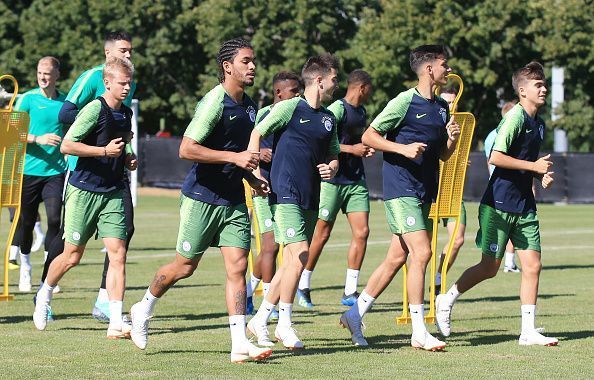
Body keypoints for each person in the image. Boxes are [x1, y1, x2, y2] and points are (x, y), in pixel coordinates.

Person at [128, 38, 272, 363]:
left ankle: (238, 344)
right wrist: (235, 158)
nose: (252, 67)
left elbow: (238, 157)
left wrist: (252, 178)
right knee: (185, 267)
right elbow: (186, 149)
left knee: (237, 268)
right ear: (227, 66)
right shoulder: (213, 102)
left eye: (253, 61)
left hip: (234, 200)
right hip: (201, 198)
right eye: (246, 61)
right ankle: (143, 307)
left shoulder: (250, 107)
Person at [339, 45, 460, 351]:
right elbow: (369, 136)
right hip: (400, 189)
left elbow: (442, 154)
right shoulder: (404, 101)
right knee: (422, 254)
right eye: (444, 65)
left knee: (396, 258)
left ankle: (354, 314)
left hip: (424, 191)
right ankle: (419, 331)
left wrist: (451, 141)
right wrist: (402, 149)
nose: (448, 70)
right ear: (429, 69)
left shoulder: (442, 108)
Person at [435, 62, 558, 347]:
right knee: (489, 267)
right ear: (523, 90)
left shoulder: (538, 124)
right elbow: (496, 157)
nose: (544, 89)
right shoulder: (515, 118)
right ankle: (447, 298)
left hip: (524, 206)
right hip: (498, 204)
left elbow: (526, 166)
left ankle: (527, 331)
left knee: (533, 265)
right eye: (538, 85)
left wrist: (540, 176)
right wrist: (534, 167)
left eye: (544, 84)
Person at [33, 57, 138, 341]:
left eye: (129, 82)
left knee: (118, 254)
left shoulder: (126, 113)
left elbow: (120, 145)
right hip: (84, 191)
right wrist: (104, 152)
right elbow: (67, 145)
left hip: (113, 191)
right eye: (122, 82)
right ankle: (44, 295)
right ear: (107, 83)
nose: (127, 87)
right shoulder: (94, 109)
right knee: (72, 255)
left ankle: (115, 320)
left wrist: (127, 157)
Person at [246, 54, 340, 350]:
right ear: (319, 80)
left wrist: (332, 167)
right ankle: (284, 324)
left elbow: (334, 155)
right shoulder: (289, 108)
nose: (337, 84)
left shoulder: (329, 119)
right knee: (299, 254)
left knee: (291, 261)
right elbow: (258, 131)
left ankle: (261, 319)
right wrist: (254, 170)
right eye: (335, 79)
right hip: (283, 191)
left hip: (311, 194)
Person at [297, 69, 374, 308]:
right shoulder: (337, 110)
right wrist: (353, 150)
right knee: (321, 233)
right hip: (332, 182)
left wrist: (365, 148)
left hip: (356, 181)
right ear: (362, 87)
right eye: (370, 88)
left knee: (362, 232)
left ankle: (350, 291)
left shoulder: (361, 112)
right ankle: (303, 284)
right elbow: (326, 141)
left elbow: (356, 143)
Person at [246, 71, 302, 317]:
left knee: (275, 246)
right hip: (263, 186)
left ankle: (249, 291)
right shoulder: (264, 114)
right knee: (271, 245)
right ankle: (270, 304)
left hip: (285, 188)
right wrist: (259, 161)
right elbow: (250, 143)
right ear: (279, 93)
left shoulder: (298, 113)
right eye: (294, 91)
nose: (298, 95)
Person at [13, 57, 67, 292]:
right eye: (39, 73)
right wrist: (38, 139)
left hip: (55, 172)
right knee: (25, 223)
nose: (42, 77)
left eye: (47, 73)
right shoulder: (27, 99)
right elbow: (10, 132)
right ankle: (25, 266)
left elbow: (73, 130)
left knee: (55, 220)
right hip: (28, 171)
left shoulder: (65, 102)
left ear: (57, 75)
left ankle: (49, 274)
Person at [432, 87, 466, 294]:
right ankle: (413, 293)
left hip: (453, 189)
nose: (450, 105)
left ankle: (437, 279)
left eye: (453, 101)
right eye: (446, 101)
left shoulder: (463, 125)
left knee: (458, 239)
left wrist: (461, 163)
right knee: (421, 246)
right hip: (432, 187)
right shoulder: (431, 122)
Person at [484, 100, 521, 273]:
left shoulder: (490, 135)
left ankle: (508, 263)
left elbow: (488, 161)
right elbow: (495, 158)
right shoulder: (505, 132)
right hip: (506, 186)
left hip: (496, 184)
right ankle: (507, 263)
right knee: (510, 227)